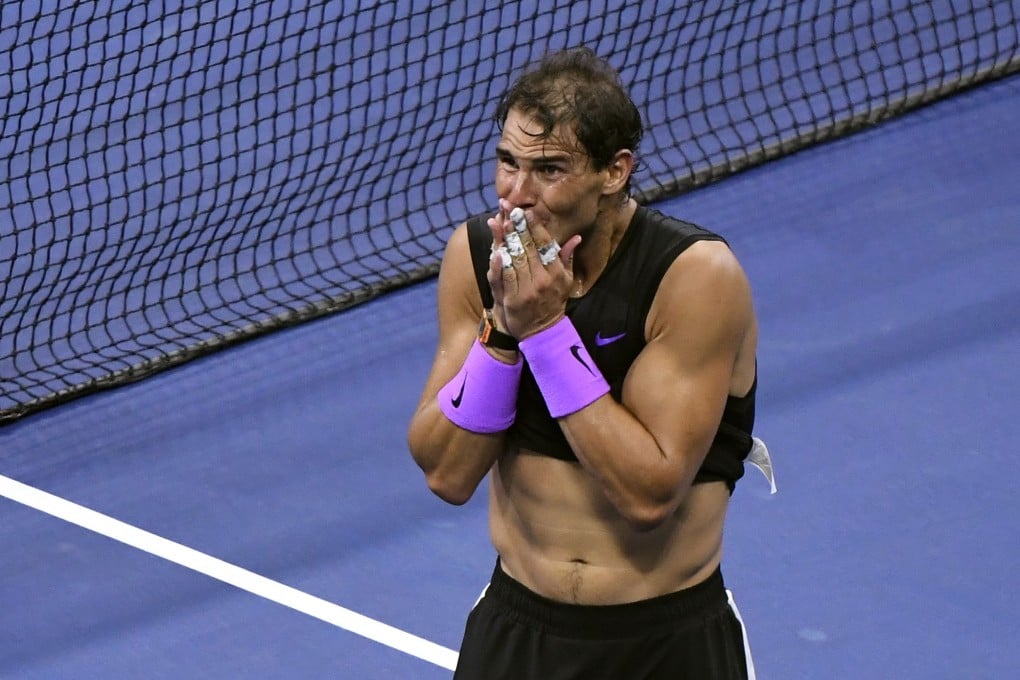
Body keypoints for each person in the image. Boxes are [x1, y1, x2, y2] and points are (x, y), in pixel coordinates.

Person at [407, 47, 773, 679]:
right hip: (517, 635)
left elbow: (647, 494)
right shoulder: (476, 258)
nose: (516, 195)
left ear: (614, 171)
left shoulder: (693, 278)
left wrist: (546, 332)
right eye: (507, 163)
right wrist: (502, 329)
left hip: (666, 644)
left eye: (548, 169)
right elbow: (447, 473)